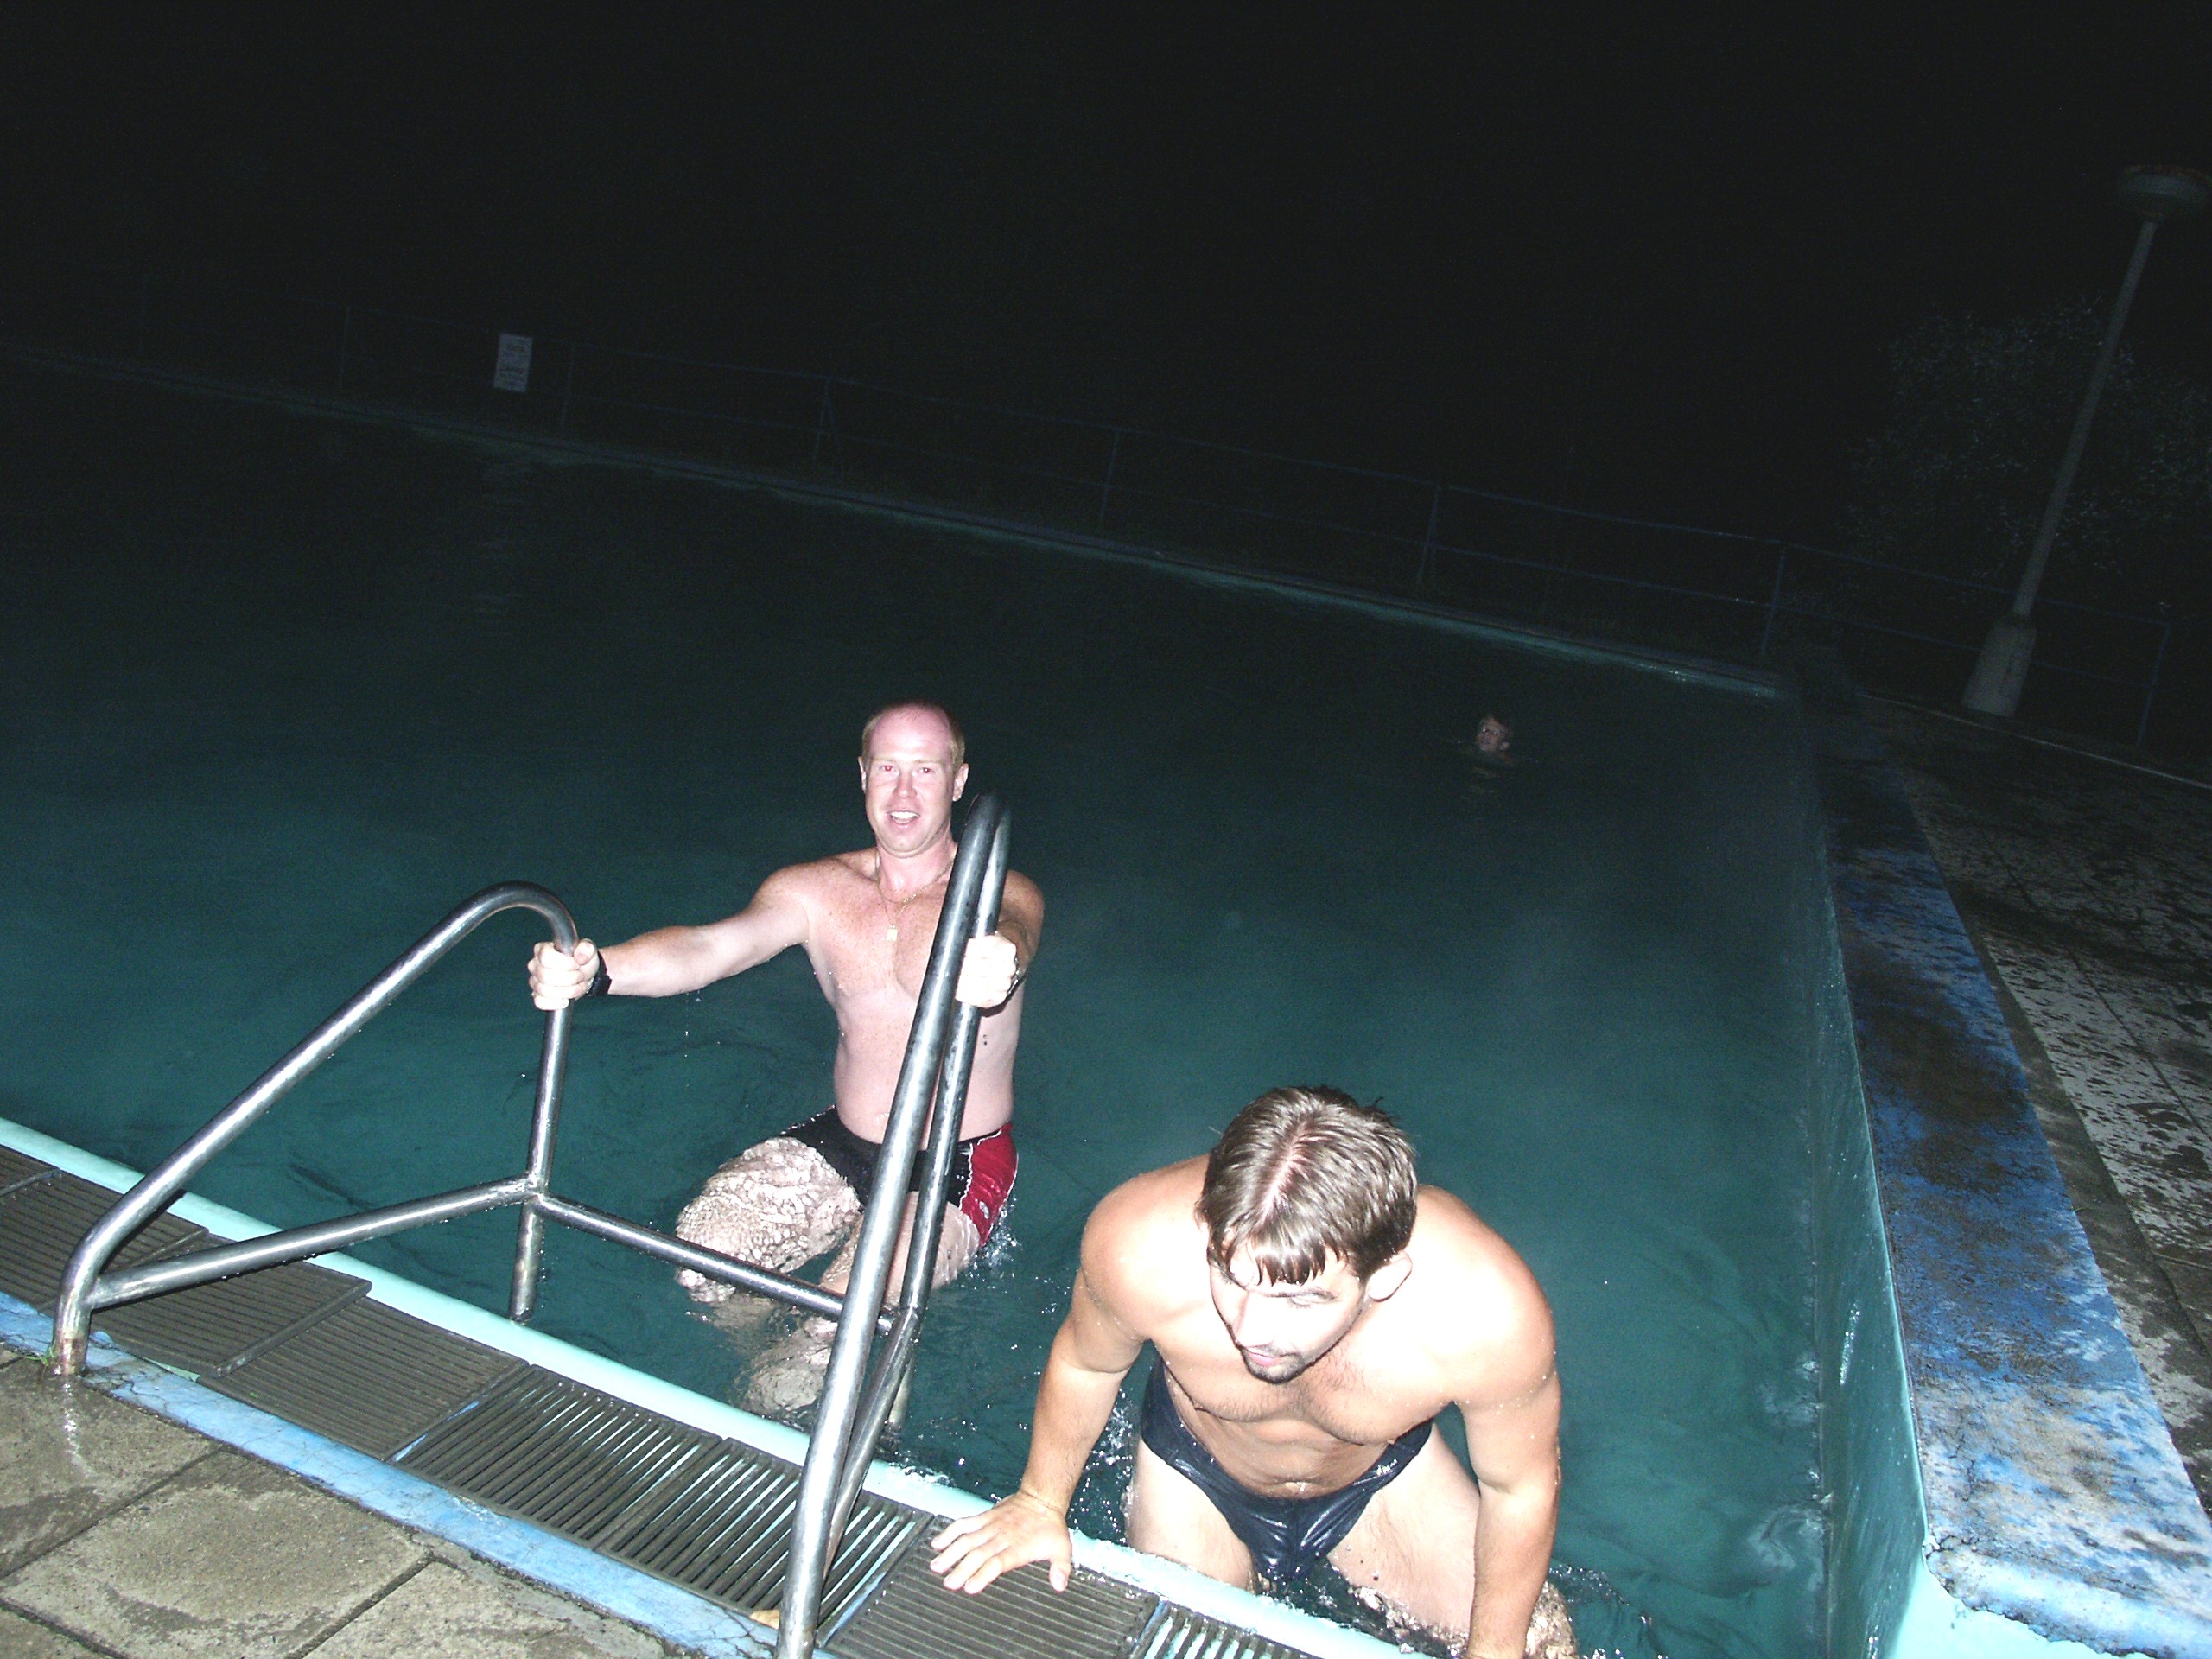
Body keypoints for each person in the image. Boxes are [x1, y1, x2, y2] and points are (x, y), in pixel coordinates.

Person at [928, 1087, 1573, 1659]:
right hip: (1196, 1475)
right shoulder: (1142, 1248)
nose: (1250, 1329)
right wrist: (1040, 1503)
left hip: (1380, 1479)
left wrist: (1495, 1651)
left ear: (1383, 1279)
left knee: (1539, 1649)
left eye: (1301, 1300)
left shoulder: (1483, 1313)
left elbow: (1517, 1486)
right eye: (1230, 1277)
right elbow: (1086, 1366)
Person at [529, 702, 1043, 1407]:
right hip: (850, 1140)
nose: (903, 793)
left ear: (957, 782)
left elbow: (1017, 929)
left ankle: (809, 1390)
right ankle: (794, 1369)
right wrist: (596, 971)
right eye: (887, 769)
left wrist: (1001, 961)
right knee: (705, 1256)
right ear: (862, 775)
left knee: (834, 1331)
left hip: (958, 1160)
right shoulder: (815, 891)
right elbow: (708, 948)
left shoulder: (995, 894)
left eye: (925, 771)